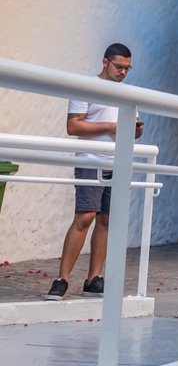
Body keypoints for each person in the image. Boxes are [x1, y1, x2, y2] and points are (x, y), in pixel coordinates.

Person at [46, 43, 143, 300]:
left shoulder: (128, 94)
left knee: (107, 220)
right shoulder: (86, 86)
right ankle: (61, 279)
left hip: (118, 161)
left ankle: (94, 279)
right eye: (118, 67)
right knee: (85, 216)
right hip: (91, 159)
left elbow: (132, 129)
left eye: (127, 68)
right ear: (105, 62)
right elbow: (73, 126)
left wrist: (136, 130)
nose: (123, 72)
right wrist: (110, 126)